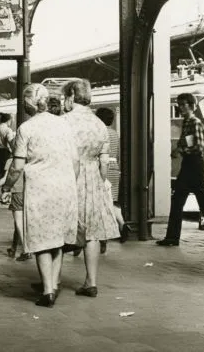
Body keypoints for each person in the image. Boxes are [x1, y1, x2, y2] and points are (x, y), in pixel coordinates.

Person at [0, 83, 78, 308]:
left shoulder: (27, 128)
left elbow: (16, 166)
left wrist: (7, 188)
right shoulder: (64, 125)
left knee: (42, 240)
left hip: (39, 189)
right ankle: (53, 285)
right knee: (58, 240)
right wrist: (70, 183)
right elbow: (75, 161)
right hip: (65, 187)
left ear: (28, 104)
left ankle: (47, 292)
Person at [62, 80, 120, 296]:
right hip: (93, 178)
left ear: (70, 96)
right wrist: (100, 181)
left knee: (63, 229)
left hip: (69, 176)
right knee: (92, 233)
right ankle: (91, 282)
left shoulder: (63, 122)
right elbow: (104, 161)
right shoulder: (99, 125)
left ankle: (52, 282)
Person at [156, 93, 204, 248]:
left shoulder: (194, 123)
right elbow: (190, 143)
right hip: (190, 165)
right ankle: (174, 237)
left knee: (198, 201)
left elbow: (198, 147)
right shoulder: (188, 122)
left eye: (182, 105)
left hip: (194, 165)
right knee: (182, 201)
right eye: (179, 105)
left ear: (190, 105)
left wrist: (180, 150)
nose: (180, 108)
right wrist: (182, 149)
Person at [95, 107, 130, 242]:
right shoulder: (115, 134)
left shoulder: (100, 133)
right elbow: (118, 153)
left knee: (101, 202)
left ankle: (103, 235)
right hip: (115, 168)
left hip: (103, 168)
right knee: (113, 201)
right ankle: (122, 223)